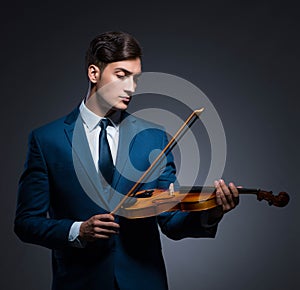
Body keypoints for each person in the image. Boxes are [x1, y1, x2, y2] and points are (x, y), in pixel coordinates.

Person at [14, 31, 239, 290]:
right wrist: (77, 230)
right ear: (94, 74)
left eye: (135, 78)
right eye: (121, 76)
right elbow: (26, 222)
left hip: (143, 282)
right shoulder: (46, 139)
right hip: (79, 283)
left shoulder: (154, 138)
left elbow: (171, 222)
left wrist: (214, 211)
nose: (131, 87)